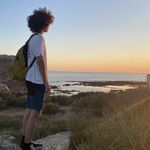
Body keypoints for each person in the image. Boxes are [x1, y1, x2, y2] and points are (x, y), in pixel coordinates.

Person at [20, 7, 54, 150]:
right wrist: (46, 82)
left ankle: (25, 139)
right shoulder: (39, 38)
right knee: (36, 112)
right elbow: (40, 60)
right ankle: (28, 144)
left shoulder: (31, 38)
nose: (49, 26)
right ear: (44, 23)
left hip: (30, 79)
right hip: (36, 80)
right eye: (49, 23)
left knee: (29, 109)